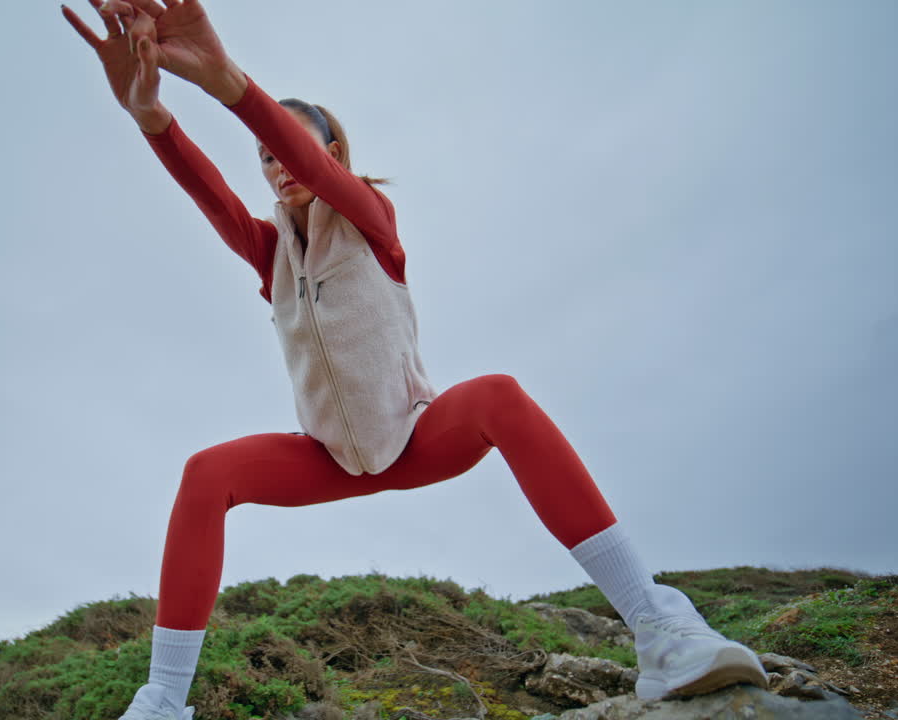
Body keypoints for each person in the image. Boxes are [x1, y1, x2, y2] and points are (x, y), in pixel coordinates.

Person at [61, 1, 769, 717]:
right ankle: (162, 703)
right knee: (204, 475)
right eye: (266, 159)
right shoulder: (273, 252)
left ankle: (658, 627)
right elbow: (213, 198)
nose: (278, 167)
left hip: (415, 438)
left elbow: (312, 163)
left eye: (291, 149)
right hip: (330, 456)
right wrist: (150, 114)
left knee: (499, 396)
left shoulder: (371, 219)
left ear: (334, 154)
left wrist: (229, 83)